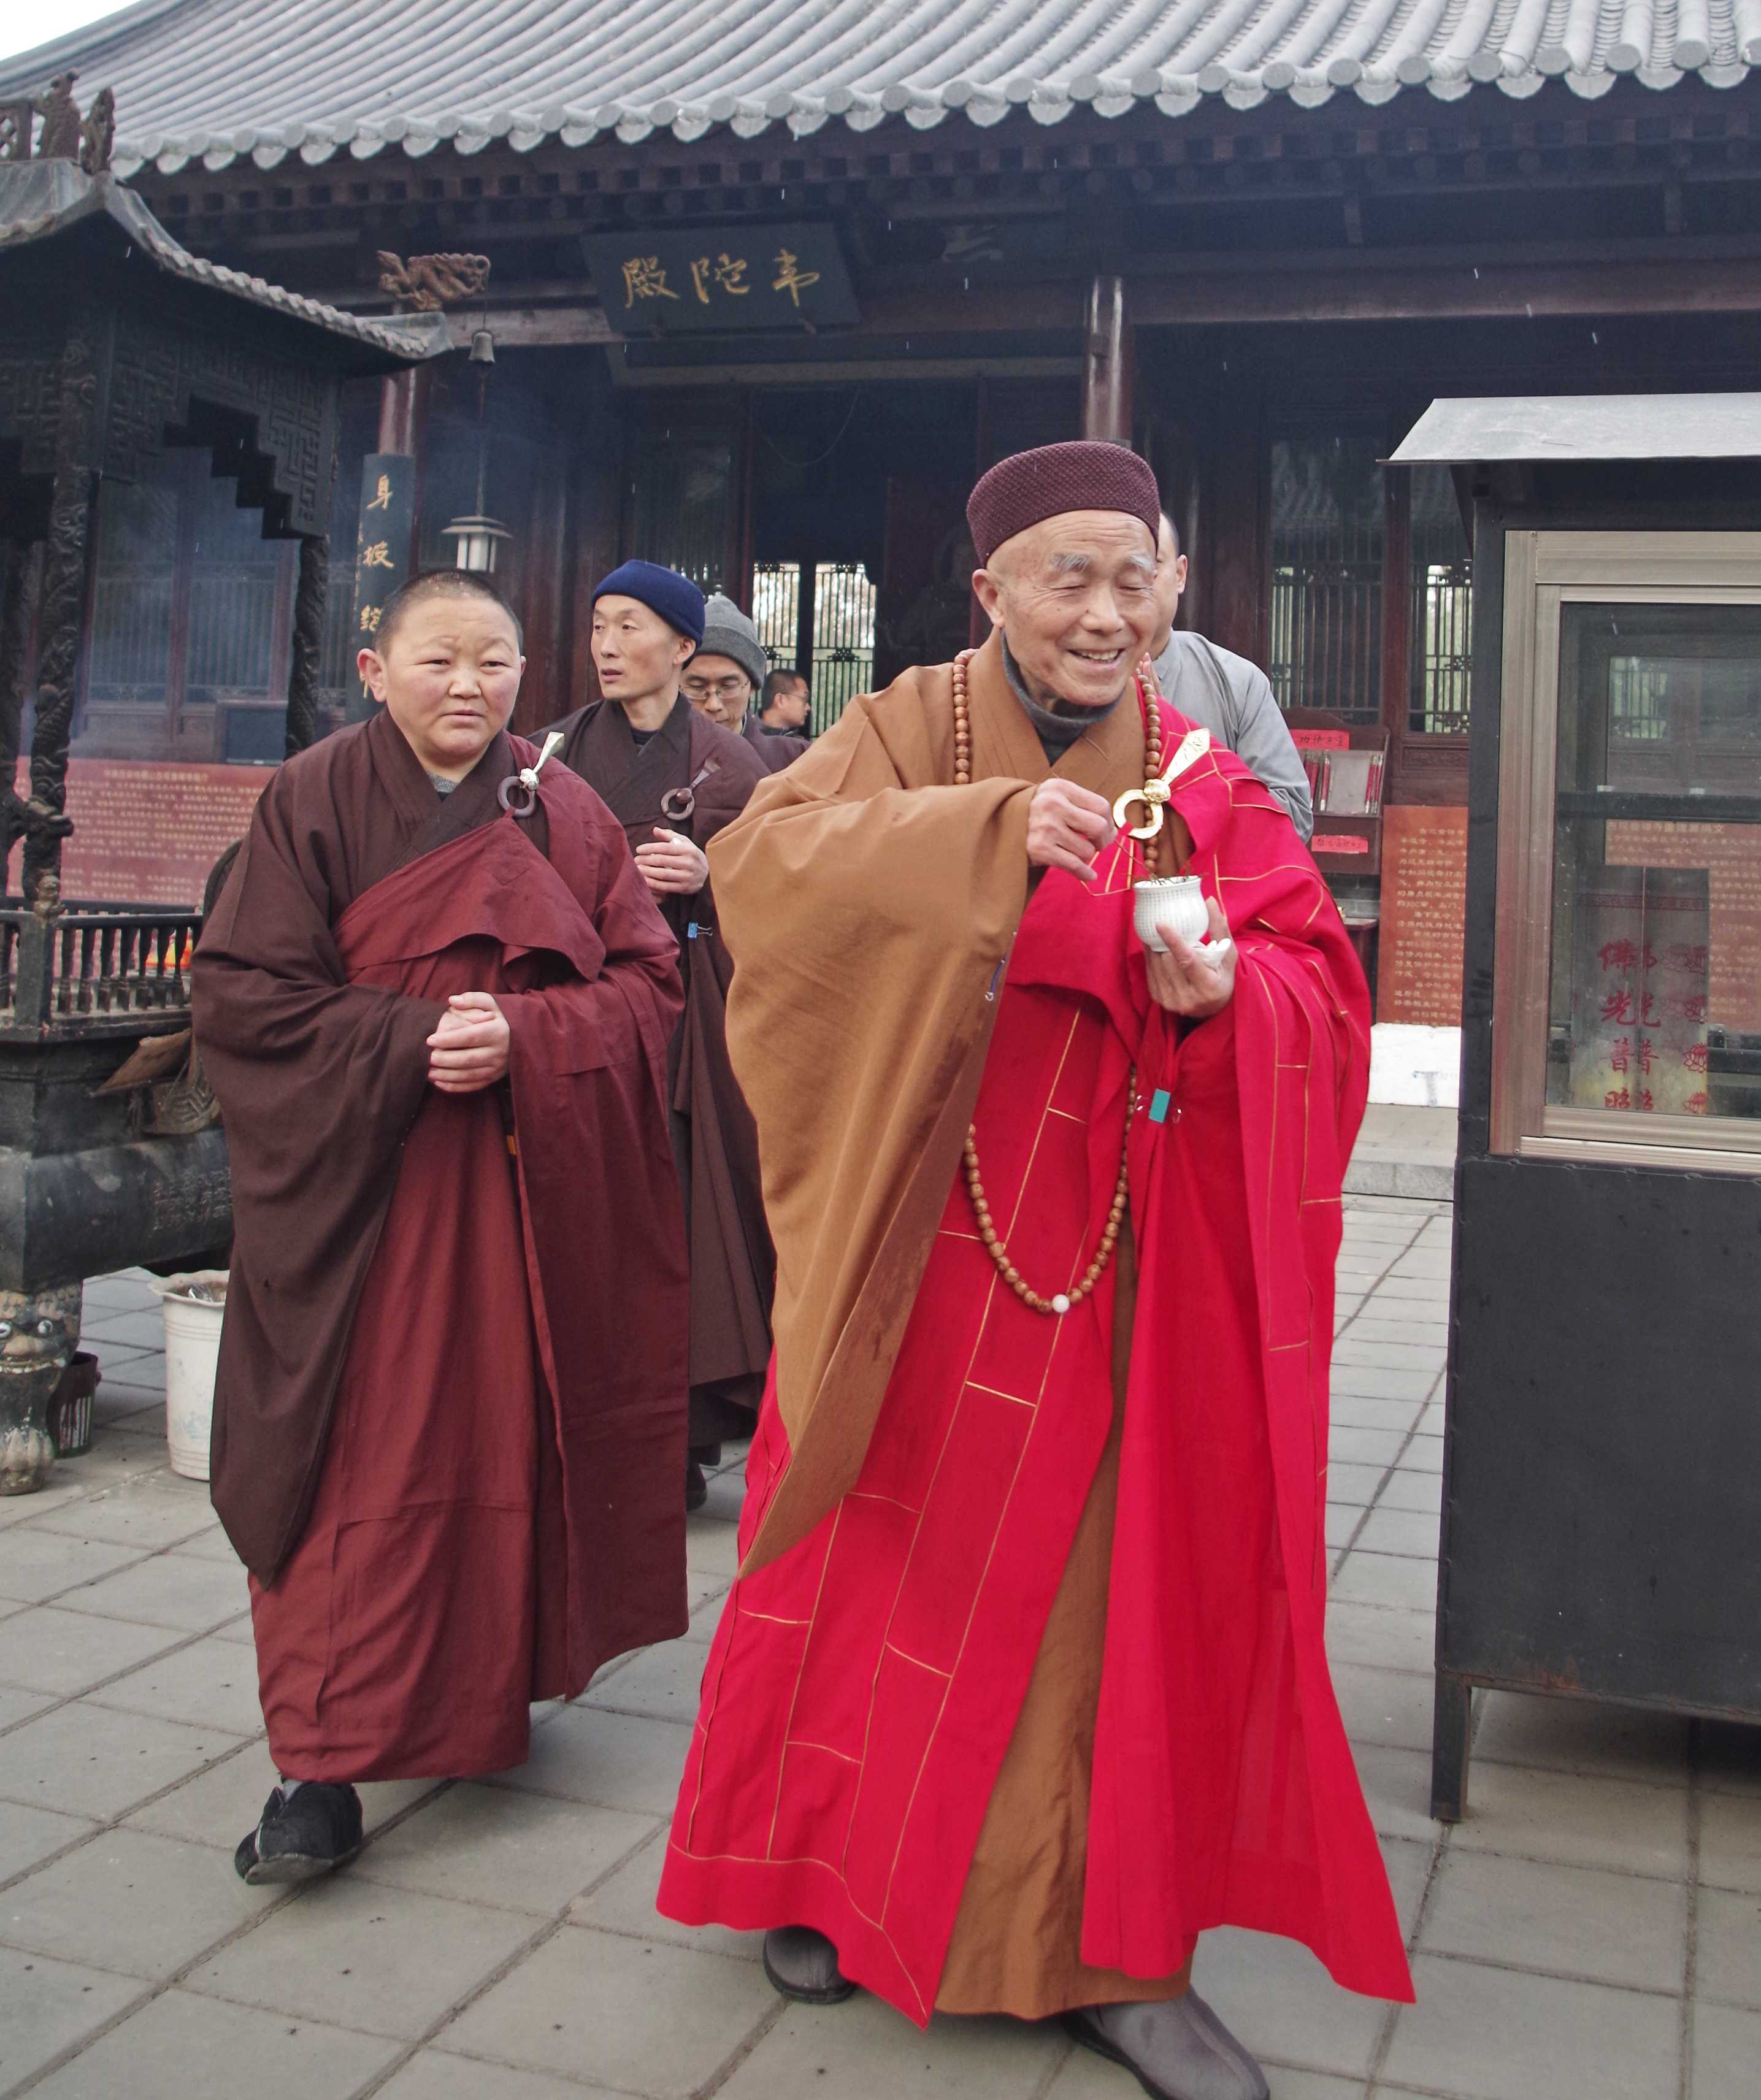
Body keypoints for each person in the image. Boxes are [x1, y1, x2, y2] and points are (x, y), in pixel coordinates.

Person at [657, 443, 1411, 2100]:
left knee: (1094, 1603)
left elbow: (1318, 992)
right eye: (1067, 578)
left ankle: (1108, 1959)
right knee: (865, 1552)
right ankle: (818, 1877)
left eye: (1134, 578)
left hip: (1114, 1250)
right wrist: (987, 843)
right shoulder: (902, 731)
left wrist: (1230, 998)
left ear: (1172, 592)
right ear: (991, 591)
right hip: (919, 1227)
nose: (1105, 613)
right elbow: (764, 881)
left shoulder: (1202, 775)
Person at [194, 569, 691, 1886]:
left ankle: (479, 1701)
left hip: (525, 1204)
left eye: (494, 661)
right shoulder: (312, 800)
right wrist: (417, 1038)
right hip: (365, 1205)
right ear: (373, 671)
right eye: (437, 661)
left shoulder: (558, 806)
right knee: (351, 1469)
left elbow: (652, 985)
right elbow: (245, 999)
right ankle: (319, 1759)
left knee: (508, 1441)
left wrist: (526, 1034)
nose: (468, 686)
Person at [547, 562, 777, 1509]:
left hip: (683, 1023)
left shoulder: (730, 767)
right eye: (599, 623)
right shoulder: (551, 754)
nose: (607, 643)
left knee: (676, 1226)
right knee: (584, 1221)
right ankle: (575, 1431)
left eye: (630, 624)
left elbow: (786, 893)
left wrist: (710, 876)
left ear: (683, 648)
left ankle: (675, 1441)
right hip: (581, 1013)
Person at [1148, 513, 1314, 846]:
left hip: (1207, 893)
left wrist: (1190, 785)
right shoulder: (1058, 679)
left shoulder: (1238, 683)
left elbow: (1293, 816)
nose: (1132, 585)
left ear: (1179, 574)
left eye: (1147, 569)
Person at [685, 594, 804, 771]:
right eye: (696, 687)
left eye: (728, 686)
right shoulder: (656, 760)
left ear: (752, 686)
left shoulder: (795, 761)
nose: (713, 705)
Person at [759, 667, 811, 739]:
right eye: (804, 699)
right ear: (780, 700)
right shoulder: (745, 736)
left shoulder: (798, 743)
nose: (808, 707)